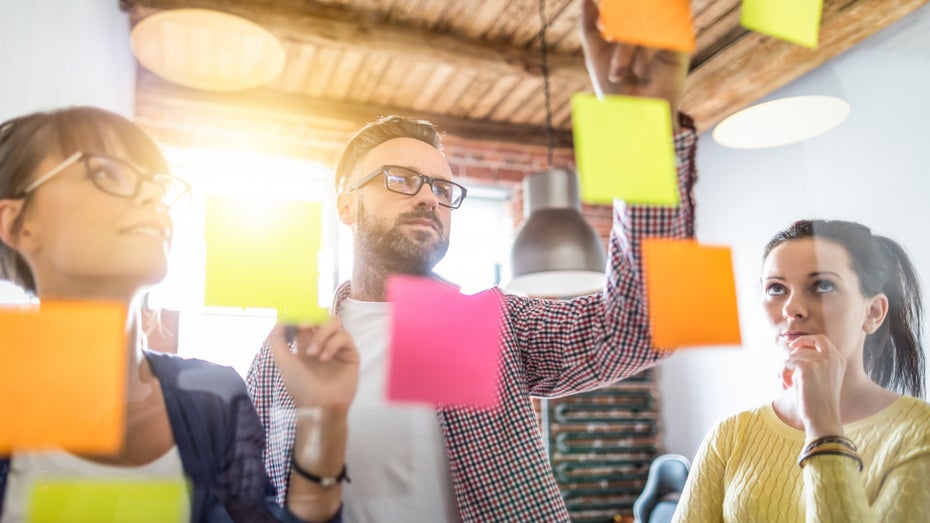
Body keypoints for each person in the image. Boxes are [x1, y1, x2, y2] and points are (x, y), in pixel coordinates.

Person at [246, 1, 697, 520]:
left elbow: (644, 326)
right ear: (346, 203)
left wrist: (643, 134)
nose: (428, 199)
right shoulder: (288, 353)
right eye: (400, 179)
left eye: (441, 187)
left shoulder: (484, 324)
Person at [0, 106, 359, 523]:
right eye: (107, 172)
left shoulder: (215, 399)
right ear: (18, 224)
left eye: (157, 185)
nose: (154, 197)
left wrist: (324, 419)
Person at [673, 220, 930, 522]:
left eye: (822, 285)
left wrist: (823, 426)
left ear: (872, 313)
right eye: (776, 288)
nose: (791, 308)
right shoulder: (730, 436)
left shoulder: (920, 434)